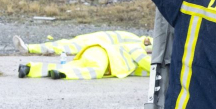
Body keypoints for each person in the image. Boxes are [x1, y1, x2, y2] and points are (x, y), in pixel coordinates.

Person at [17, 37, 150, 80]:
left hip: (94, 52)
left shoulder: (129, 59)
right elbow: (148, 64)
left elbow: (142, 71)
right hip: (102, 54)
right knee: (95, 70)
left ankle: (29, 68)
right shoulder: (136, 47)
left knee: (71, 66)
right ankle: (65, 75)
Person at [12, 31, 151, 56]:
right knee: (67, 43)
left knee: (67, 46)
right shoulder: (137, 39)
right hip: (102, 37)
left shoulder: (136, 45)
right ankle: (30, 48)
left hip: (101, 42)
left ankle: (30, 48)